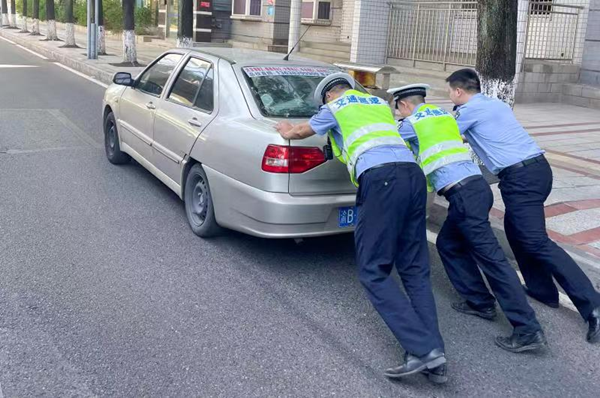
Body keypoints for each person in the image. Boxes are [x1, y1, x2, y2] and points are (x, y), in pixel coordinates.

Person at [274, 73, 447, 383]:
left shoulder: (336, 106)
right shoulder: (379, 105)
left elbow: (300, 132)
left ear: (328, 96)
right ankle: (435, 356)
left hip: (381, 182)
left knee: (373, 269)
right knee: (415, 269)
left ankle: (423, 348)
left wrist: (287, 129)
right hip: (413, 178)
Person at [446, 68, 600, 344]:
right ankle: (543, 290)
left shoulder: (468, 110)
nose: (450, 96)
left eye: (450, 92)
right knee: (516, 230)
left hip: (521, 177)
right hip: (537, 171)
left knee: (536, 240)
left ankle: (594, 306)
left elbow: (441, 132)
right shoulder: (493, 103)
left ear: (458, 92)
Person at [389, 84, 547, 353]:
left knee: (492, 260)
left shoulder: (412, 123)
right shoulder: (444, 116)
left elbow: (387, 137)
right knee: (448, 244)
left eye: (399, 110)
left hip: (463, 195)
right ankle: (480, 302)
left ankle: (527, 328)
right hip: (475, 190)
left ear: (404, 106)